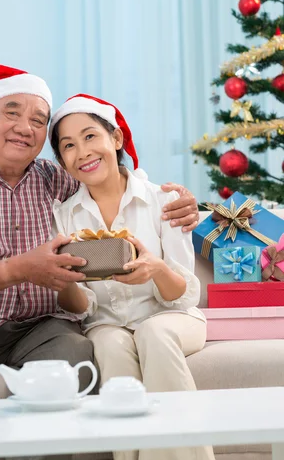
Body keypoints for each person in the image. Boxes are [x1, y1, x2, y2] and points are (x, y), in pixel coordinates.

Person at [0, 64, 199, 405]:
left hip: (40, 327)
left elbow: (110, 177)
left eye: (38, 120)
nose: (25, 128)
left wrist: (186, 205)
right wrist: (19, 268)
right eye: (12, 113)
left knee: (75, 349)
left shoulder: (58, 179)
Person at [50, 94, 213, 460]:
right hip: (106, 323)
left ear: (117, 139)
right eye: (69, 146)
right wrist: (64, 283)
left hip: (172, 317)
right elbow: (82, 308)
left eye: (91, 136)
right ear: (62, 161)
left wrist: (156, 269)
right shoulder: (63, 217)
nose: (83, 152)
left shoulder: (162, 201)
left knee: (152, 333)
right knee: (109, 345)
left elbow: (186, 294)